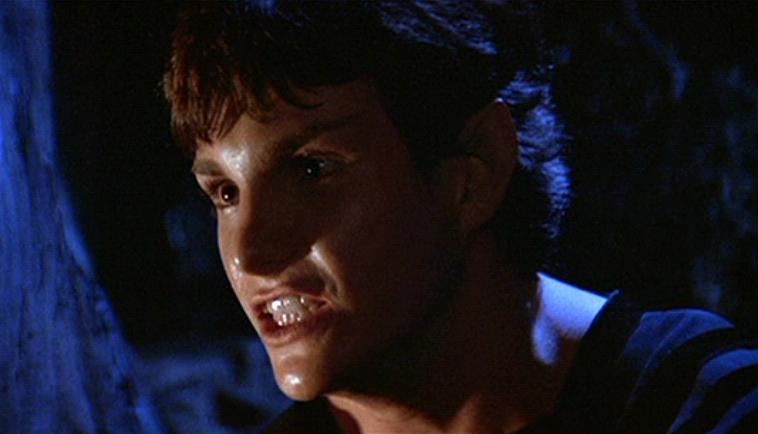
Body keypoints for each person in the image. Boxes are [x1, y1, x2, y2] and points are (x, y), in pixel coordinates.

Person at [162, 1, 758, 433]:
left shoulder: (701, 407)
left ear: (474, 173)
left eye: (312, 169)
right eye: (225, 193)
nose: (248, 254)